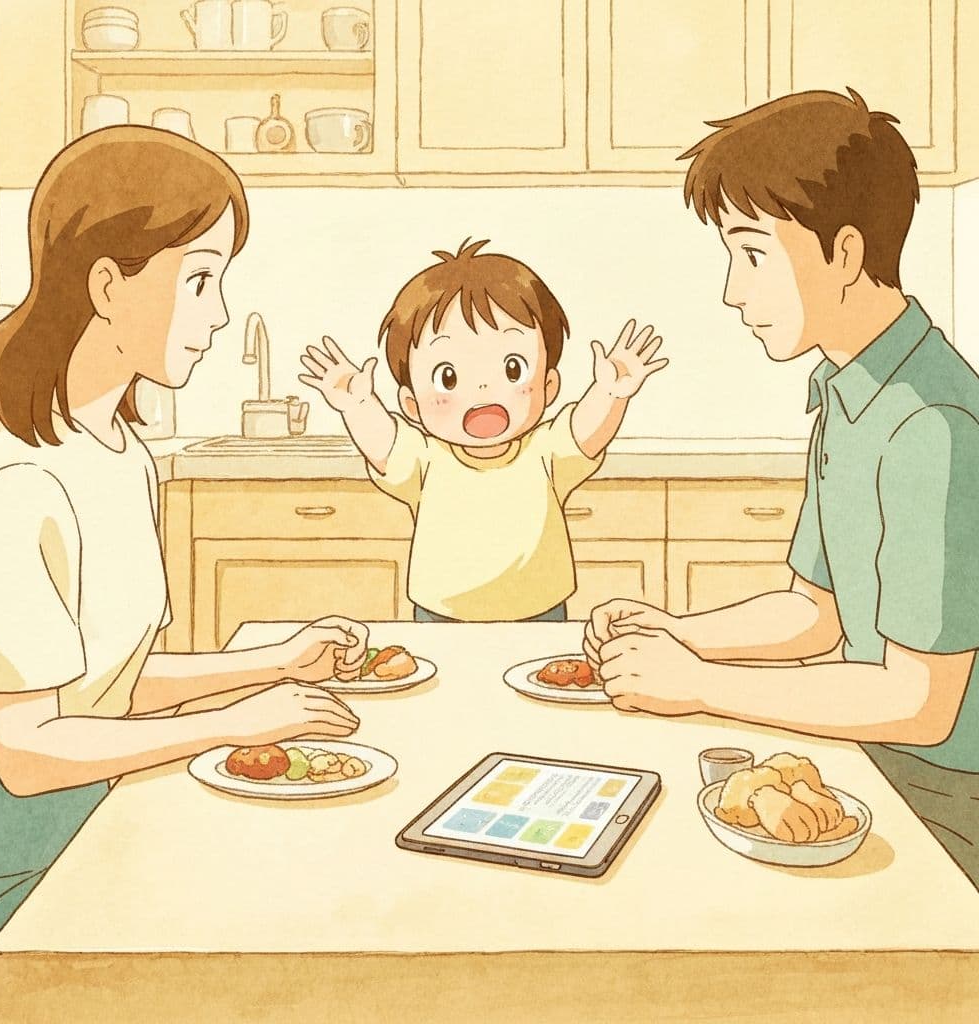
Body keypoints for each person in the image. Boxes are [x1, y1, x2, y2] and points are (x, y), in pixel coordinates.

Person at [0, 126, 367, 991]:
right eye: (202, 279)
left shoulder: (118, 454)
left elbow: (106, 684)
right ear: (109, 284)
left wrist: (271, 662)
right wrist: (236, 719)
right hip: (5, 870)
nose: (218, 315)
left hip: (97, 803)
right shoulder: (18, 489)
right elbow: (26, 753)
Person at [584, 88, 979, 888]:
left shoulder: (932, 424)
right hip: (875, 767)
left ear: (842, 253)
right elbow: (814, 612)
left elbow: (919, 703)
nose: (734, 290)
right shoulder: (849, 391)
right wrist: (680, 630)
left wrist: (698, 683)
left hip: (946, 811)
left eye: (753, 252)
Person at [298, 239, 668, 622]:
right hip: (441, 615)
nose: (482, 391)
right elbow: (384, 445)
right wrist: (358, 405)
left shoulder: (544, 450)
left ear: (549, 386)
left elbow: (584, 433)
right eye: (449, 376)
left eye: (512, 369)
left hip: (539, 612)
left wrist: (610, 393)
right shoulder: (427, 458)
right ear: (411, 405)